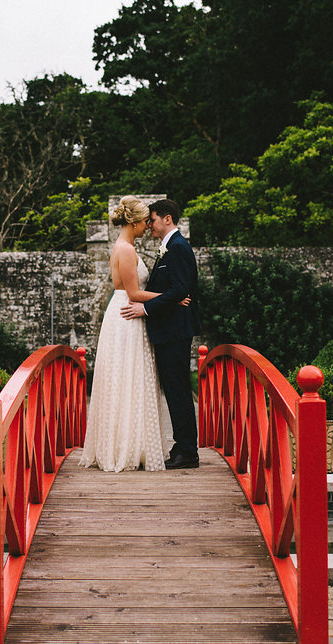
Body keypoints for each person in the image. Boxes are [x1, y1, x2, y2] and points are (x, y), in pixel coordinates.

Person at [80, 196, 174, 472]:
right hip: (128, 314)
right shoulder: (127, 250)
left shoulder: (121, 246)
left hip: (123, 312)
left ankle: (127, 443)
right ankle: (127, 447)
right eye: (145, 221)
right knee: (129, 376)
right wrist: (171, 296)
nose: (148, 226)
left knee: (125, 378)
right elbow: (134, 293)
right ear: (133, 223)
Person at [120, 198, 201, 469]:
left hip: (175, 331)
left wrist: (145, 309)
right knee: (174, 389)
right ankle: (182, 446)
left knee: (178, 390)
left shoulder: (178, 247)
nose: (150, 225)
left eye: (152, 220)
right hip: (169, 330)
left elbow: (180, 290)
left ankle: (188, 451)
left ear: (167, 219)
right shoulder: (169, 248)